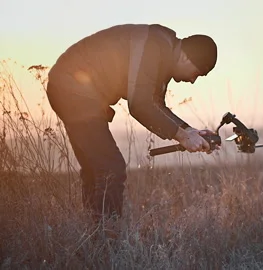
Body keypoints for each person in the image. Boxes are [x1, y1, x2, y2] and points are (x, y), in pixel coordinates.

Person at [46, 23, 219, 224]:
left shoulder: (164, 50)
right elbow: (140, 106)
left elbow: (155, 105)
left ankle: (95, 234)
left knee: (97, 168)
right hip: (73, 89)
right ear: (185, 57)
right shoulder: (155, 46)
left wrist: (190, 131)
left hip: (68, 87)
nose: (192, 81)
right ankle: (107, 236)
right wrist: (182, 136)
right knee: (110, 167)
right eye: (197, 73)